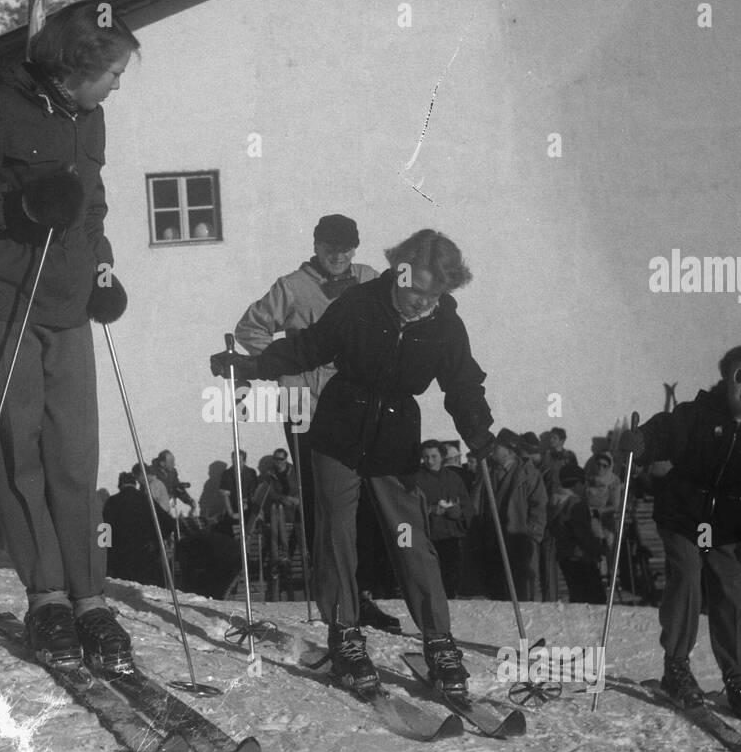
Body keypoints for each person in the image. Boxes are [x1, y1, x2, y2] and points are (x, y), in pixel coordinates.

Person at [0, 0, 138, 670]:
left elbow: (92, 205)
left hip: (67, 305)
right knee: (18, 453)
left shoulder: (91, 117)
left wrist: (102, 267)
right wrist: (17, 208)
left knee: (75, 456)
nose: (117, 86)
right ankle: (46, 597)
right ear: (75, 67)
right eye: (111, 73)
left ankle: (90, 599)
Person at [212, 229, 495, 696]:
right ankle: (345, 633)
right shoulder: (361, 303)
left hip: (395, 435)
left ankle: (439, 642)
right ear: (397, 272)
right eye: (414, 290)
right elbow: (307, 347)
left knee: (411, 539)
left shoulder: (444, 325)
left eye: (433, 294)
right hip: (340, 427)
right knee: (336, 532)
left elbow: (462, 385)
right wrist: (249, 366)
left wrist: (480, 432)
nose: (420, 302)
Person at [618, 344, 741, 716]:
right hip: (684, 513)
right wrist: (642, 443)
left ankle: (736, 678)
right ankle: (676, 666)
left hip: (722, 522)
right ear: (726, 379)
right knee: (689, 577)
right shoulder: (697, 415)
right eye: (740, 375)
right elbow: (664, 431)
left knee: (729, 589)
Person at [233, 213, 398, 629]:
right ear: (317, 245)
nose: (338, 256)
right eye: (330, 247)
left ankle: (360, 594)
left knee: (362, 499)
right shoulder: (292, 287)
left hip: (359, 401)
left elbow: (395, 318)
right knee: (320, 498)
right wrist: (286, 367)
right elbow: (250, 329)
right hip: (305, 404)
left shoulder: (369, 278)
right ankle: (333, 597)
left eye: (346, 248)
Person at [471, 430, 548, 600]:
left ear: (510, 450)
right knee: (496, 589)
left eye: (496, 447)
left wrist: (531, 534)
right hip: (492, 540)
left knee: (522, 589)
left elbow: (539, 506)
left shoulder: (529, 475)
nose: (492, 450)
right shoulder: (487, 472)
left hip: (519, 539)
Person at [405, 439, 471, 598]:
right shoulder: (415, 479)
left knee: (450, 574)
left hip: (450, 534)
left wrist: (458, 512)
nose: (429, 460)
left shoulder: (453, 478)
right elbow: (408, 506)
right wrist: (430, 509)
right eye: (426, 457)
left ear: (442, 456)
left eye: (434, 456)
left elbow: (466, 504)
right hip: (427, 535)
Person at [548, 464, 606, 603]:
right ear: (578, 483)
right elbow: (583, 534)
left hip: (565, 555)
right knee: (595, 599)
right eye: (583, 482)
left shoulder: (555, 501)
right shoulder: (576, 503)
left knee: (577, 596)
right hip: (581, 557)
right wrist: (599, 548)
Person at [102, 467, 169, 586]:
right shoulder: (145, 500)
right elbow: (166, 521)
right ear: (134, 484)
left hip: (120, 556)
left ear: (119, 485)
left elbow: (104, 528)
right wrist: (157, 542)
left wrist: (104, 552)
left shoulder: (112, 501)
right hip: (144, 554)